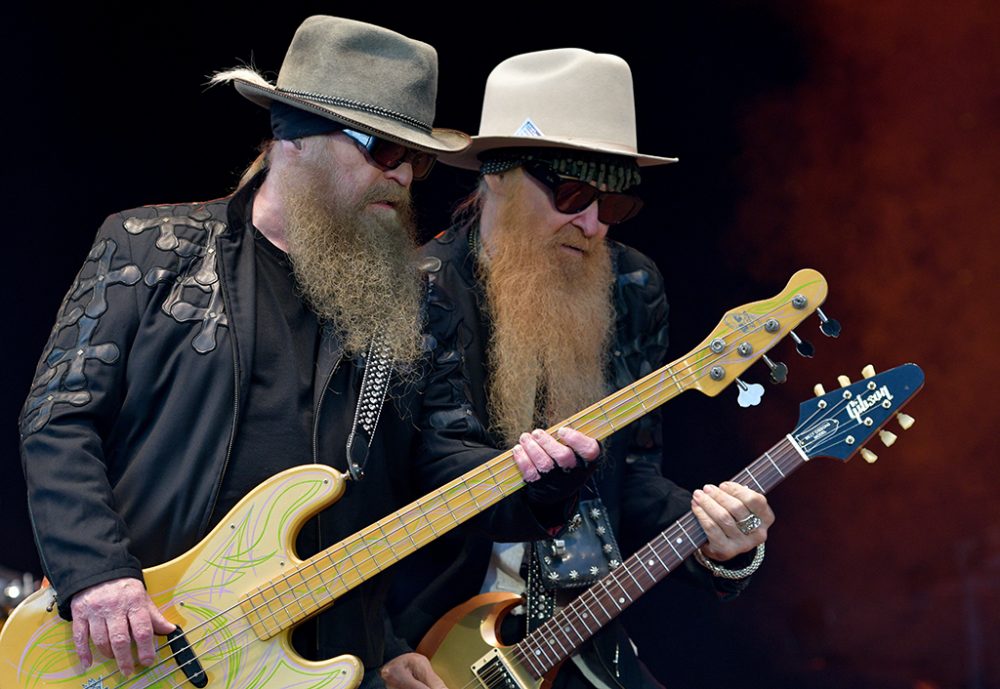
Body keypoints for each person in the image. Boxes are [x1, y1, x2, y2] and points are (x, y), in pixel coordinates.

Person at [17, 20, 599, 688]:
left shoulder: (412, 302)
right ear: (295, 136)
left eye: (418, 159)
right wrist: (96, 573)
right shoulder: (149, 247)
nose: (405, 176)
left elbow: (445, 462)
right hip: (146, 645)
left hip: (318, 661)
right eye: (383, 150)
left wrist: (539, 485)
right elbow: (59, 419)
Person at [384, 49, 775, 689]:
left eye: (613, 206)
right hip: (432, 645)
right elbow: (372, 489)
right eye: (572, 193)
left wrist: (722, 538)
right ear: (498, 179)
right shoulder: (415, 291)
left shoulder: (631, 284)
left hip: (577, 638)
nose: (593, 225)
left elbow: (635, 477)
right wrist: (382, 646)